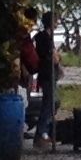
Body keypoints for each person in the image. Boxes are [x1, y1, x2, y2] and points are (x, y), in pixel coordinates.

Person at [31, 9, 59, 148]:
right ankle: (41, 132)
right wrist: (57, 58)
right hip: (47, 73)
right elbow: (53, 57)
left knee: (52, 102)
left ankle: (44, 131)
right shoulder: (45, 38)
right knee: (49, 103)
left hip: (47, 72)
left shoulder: (43, 37)